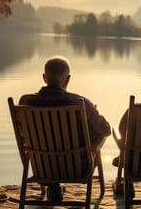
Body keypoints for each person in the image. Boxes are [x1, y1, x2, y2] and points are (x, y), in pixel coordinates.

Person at [19, 56, 111, 201]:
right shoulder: (80, 102)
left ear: (44, 78)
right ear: (67, 79)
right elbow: (106, 130)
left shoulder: (25, 102)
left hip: (42, 167)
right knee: (101, 134)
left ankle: (53, 185)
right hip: (76, 168)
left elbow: (22, 135)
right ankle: (57, 185)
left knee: (45, 137)